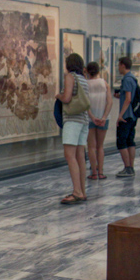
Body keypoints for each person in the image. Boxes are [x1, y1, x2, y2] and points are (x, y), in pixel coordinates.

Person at [56, 53, 90, 204]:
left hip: (72, 120)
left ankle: (76, 191)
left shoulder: (70, 77)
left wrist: (59, 96)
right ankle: (82, 191)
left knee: (70, 156)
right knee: (80, 156)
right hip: (83, 120)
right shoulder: (83, 79)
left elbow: (67, 98)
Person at [85, 61, 111, 180]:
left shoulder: (85, 84)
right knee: (100, 146)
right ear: (98, 71)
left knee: (91, 147)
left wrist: (92, 116)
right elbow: (109, 102)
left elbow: (85, 104)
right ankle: (101, 172)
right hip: (103, 118)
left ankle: (94, 173)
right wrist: (104, 116)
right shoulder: (104, 83)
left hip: (90, 118)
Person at [115, 57, 138, 178]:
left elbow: (128, 99)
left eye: (119, 65)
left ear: (123, 65)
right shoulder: (133, 78)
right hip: (132, 115)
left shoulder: (127, 79)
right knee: (130, 140)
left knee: (121, 141)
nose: (118, 68)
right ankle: (131, 167)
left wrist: (120, 115)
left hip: (126, 115)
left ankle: (128, 167)